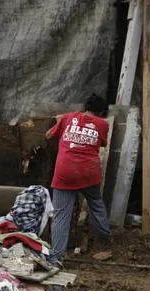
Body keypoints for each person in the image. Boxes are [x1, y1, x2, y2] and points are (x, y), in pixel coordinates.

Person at [45, 94, 112, 266]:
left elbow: (48, 135)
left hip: (65, 172)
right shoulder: (103, 124)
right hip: (89, 172)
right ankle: (104, 239)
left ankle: (56, 257)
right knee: (95, 203)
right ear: (102, 112)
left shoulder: (68, 117)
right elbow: (102, 143)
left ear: (85, 107)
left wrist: (59, 123)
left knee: (61, 215)